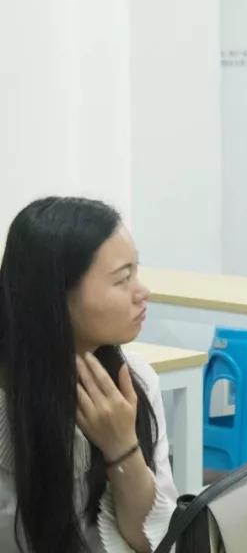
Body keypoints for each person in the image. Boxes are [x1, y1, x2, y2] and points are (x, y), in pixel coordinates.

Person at [0, 197, 177, 552]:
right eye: (122, 279)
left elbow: (155, 542)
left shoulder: (135, 381)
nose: (142, 292)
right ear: (55, 294)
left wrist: (122, 447)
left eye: (136, 272)